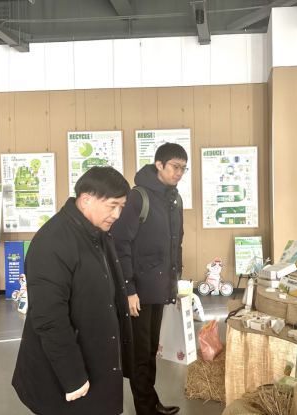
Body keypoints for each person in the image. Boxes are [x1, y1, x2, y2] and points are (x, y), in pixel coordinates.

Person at [12, 166, 133, 415]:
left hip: (95, 354)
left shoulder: (95, 231)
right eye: (112, 206)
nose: (117, 214)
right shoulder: (53, 242)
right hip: (65, 368)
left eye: (121, 206)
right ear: (86, 199)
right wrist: (73, 376)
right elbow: (48, 318)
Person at [112, 143, 186, 415]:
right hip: (139, 292)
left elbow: (175, 244)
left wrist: (175, 283)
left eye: (183, 168)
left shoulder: (174, 199)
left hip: (160, 288)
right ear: (159, 165)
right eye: (175, 166)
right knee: (140, 353)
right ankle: (146, 408)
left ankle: (150, 402)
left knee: (151, 349)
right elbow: (120, 244)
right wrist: (129, 289)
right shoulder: (138, 197)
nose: (179, 173)